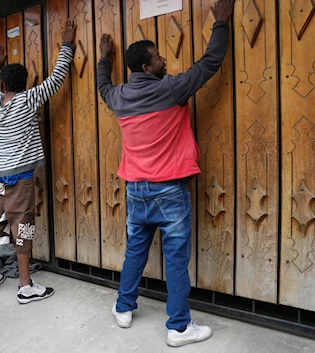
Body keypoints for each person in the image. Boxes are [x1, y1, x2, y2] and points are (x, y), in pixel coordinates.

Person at [97, 0, 234, 347]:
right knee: (175, 259)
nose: (164, 61)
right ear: (147, 66)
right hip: (169, 191)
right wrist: (221, 21)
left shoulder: (119, 96)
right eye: (158, 58)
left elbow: (102, 85)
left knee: (135, 251)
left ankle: (123, 307)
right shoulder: (170, 89)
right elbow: (210, 63)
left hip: (136, 191)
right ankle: (178, 327)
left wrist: (104, 57)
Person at [0, 19, 77, 303]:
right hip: (22, 180)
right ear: (24, 85)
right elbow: (57, 78)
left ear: (3, 85)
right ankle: (25, 287)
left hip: (1, 179)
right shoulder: (28, 100)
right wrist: (68, 44)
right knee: (23, 227)